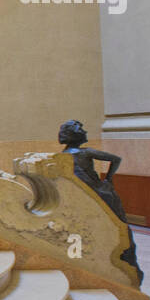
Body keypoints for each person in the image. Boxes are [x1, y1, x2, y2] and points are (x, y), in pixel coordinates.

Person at [58, 119, 143, 283]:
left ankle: (124, 264)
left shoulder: (65, 155)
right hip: (97, 195)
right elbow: (116, 159)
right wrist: (109, 179)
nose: (85, 132)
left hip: (89, 196)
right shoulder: (83, 153)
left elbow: (115, 159)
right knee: (116, 229)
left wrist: (108, 180)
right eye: (81, 129)